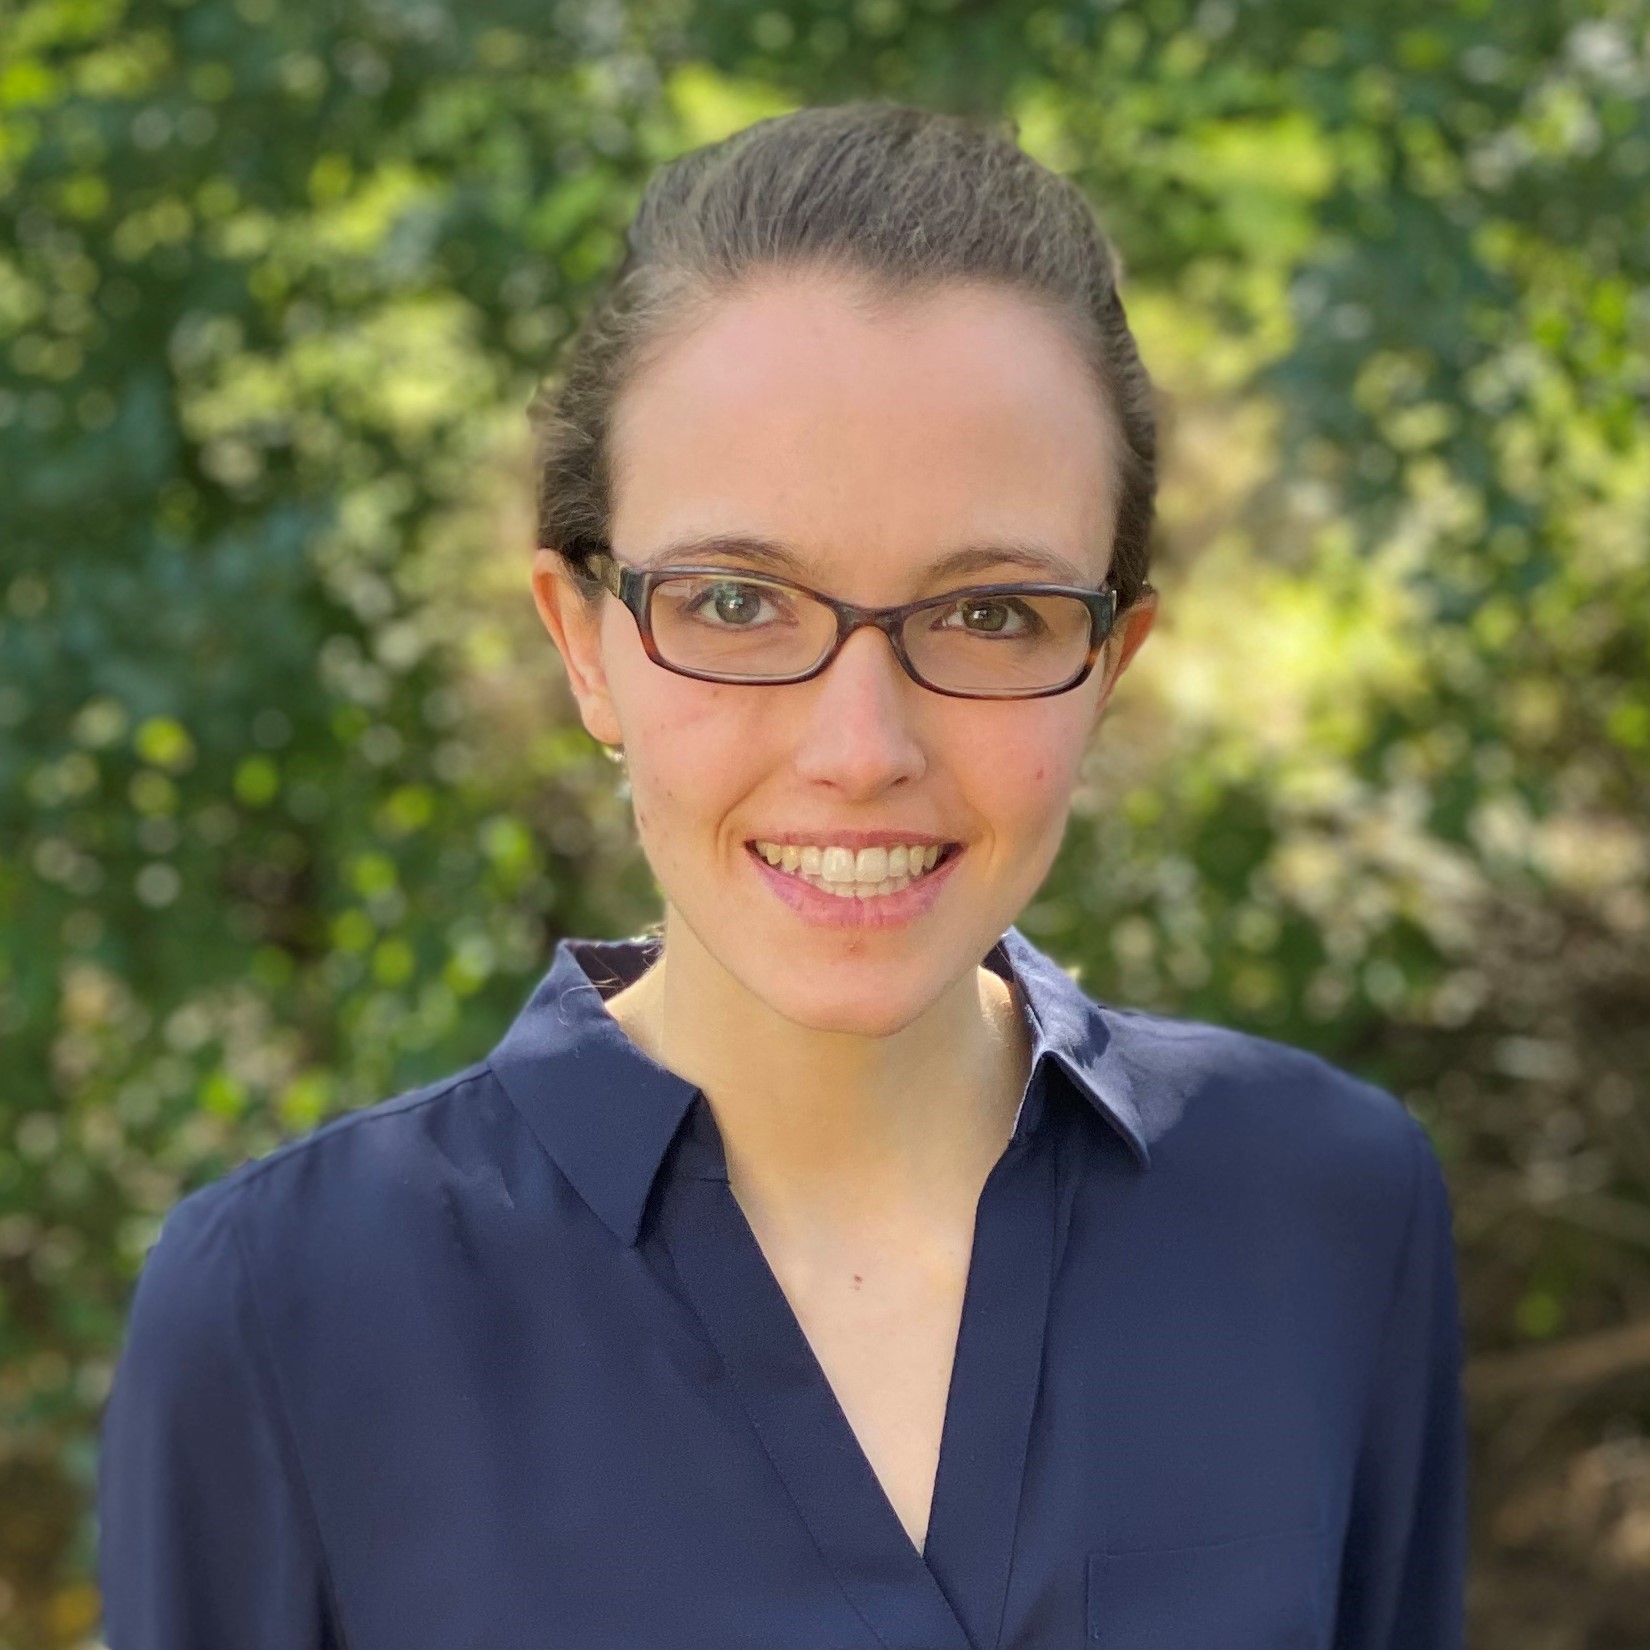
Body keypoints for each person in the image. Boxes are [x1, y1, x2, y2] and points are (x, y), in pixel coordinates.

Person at [96, 102, 1467, 1649]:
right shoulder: (283, 1304)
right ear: (584, 643)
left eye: (993, 612)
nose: (859, 744)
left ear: (1109, 662)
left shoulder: (1324, 1205)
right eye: (739, 599)